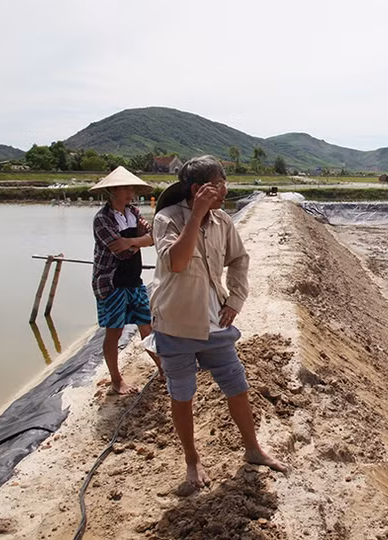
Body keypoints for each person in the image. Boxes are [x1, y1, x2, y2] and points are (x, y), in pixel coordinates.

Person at [150, 155, 286, 487]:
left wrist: (235, 301)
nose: (225, 190)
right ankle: (192, 462)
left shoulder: (223, 221)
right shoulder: (167, 220)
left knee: (237, 386)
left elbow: (239, 259)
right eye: (219, 184)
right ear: (197, 189)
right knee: (182, 396)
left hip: (216, 325)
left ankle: (253, 448)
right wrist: (195, 215)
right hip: (176, 324)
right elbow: (178, 263)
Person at [91, 166, 163, 394]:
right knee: (114, 332)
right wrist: (140, 240)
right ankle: (116, 380)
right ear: (112, 191)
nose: (130, 193)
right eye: (126, 188)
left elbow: (153, 237)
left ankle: (163, 369)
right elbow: (119, 251)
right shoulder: (102, 219)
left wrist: (132, 241)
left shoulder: (132, 212)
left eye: (132, 188)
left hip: (133, 279)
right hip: (112, 283)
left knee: (147, 326)